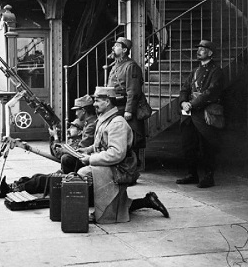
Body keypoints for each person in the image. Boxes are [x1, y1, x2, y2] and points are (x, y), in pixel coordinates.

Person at [75, 86, 169, 223]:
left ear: (107, 102)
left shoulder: (117, 123)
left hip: (120, 168)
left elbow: (116, 153)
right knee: (81, 170)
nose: (94, 104)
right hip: (114, 165)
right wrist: (88, 150)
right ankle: (146, 201)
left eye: (97, 100)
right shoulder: (106, 119)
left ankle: (102, 211)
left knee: (84, 173)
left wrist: (91, 159)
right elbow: (102, 144)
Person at [176, 40, 224, 188]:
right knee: (188, 144)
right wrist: (183, 102)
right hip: (189, 113)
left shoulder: (217, 71)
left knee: (207, 146)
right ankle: (192, 174)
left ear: (210, 53)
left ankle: (209, 177)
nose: (199, 51)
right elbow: (184, 89)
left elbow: (211, 92)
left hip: (203, 113)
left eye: (202, 49)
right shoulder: (195, 71)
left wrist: (192, 104)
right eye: (199, 49)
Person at [0, 119, 85, 196]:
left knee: (40, 180)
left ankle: (14, 189)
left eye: (72, 128)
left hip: (70, 177)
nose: (68, 130)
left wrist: (55, 136)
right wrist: (53, 137)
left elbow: (58, 153)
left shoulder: (79, 144)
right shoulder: (72, 142)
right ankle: (14, 185)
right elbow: (56, 153)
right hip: (65, 173)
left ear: (80, 132)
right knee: (36, 176)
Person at [107, 37, 146, 165]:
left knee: (131, 137)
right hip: (115, 106)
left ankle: (133, 165)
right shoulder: (116, 65)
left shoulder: (131, 66)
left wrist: (129, 110)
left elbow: (133, 90)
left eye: (117, 46)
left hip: (125, 107)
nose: (113, 48)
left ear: (124, 50)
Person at [58, 94, 97, 174]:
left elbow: (82, 147)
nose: (76, 113)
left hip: (89, 157)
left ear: (83, 111)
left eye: (77, 110)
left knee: (66, 158)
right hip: (89, 155)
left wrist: (65, 150)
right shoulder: (89, 123)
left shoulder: (91, 125)